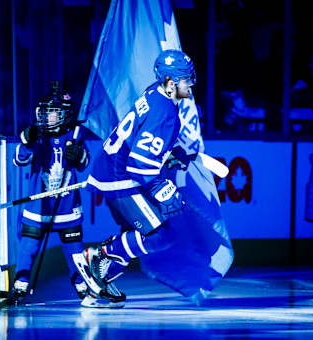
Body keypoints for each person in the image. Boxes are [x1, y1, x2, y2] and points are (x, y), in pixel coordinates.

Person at [73, 49, 233, 308]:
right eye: (185, 78)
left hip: (115, 170)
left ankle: (96, 287)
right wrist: (162, 188)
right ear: (170, 83)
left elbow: (145, 141)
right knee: (160, 236)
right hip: (121, 176)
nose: (190, 82)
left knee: (136, 236)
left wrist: (173, 152)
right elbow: (139, 164)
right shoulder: (165, 112)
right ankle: (97, 255)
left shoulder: (155, 93)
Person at [9, 81, 90, 304]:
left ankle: (83, 286)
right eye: (44, 111)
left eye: (52, 112)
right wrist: (27, 141)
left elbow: (85, 163)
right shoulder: (37, 134)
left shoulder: (75, 133)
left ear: (64, 114)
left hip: (67, 206)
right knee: (29, 246)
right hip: (38, 206)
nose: (47, 116)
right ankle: (21, 282)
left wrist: (79, 154)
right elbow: (18, 160)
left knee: (75, 251)